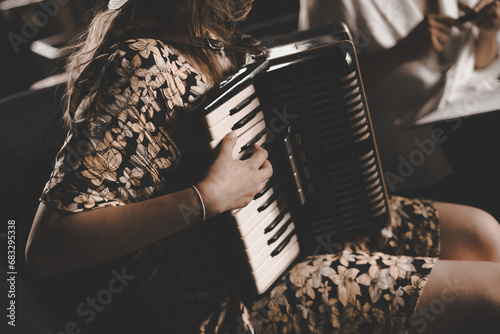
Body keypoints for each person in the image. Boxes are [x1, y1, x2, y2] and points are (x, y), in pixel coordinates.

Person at [25, 0, 500, 333]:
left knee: (481, 232)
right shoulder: (139, 61)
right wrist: (205, 198)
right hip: (233, 301)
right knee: (492, 295)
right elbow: (46, 249)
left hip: (292, 236)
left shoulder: (209, 39)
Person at [299, 0, 500, 193]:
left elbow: (478, 64)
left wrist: (488, 33)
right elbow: (323, 90)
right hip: (403, 134)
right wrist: (399, 53)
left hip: (472, 110)